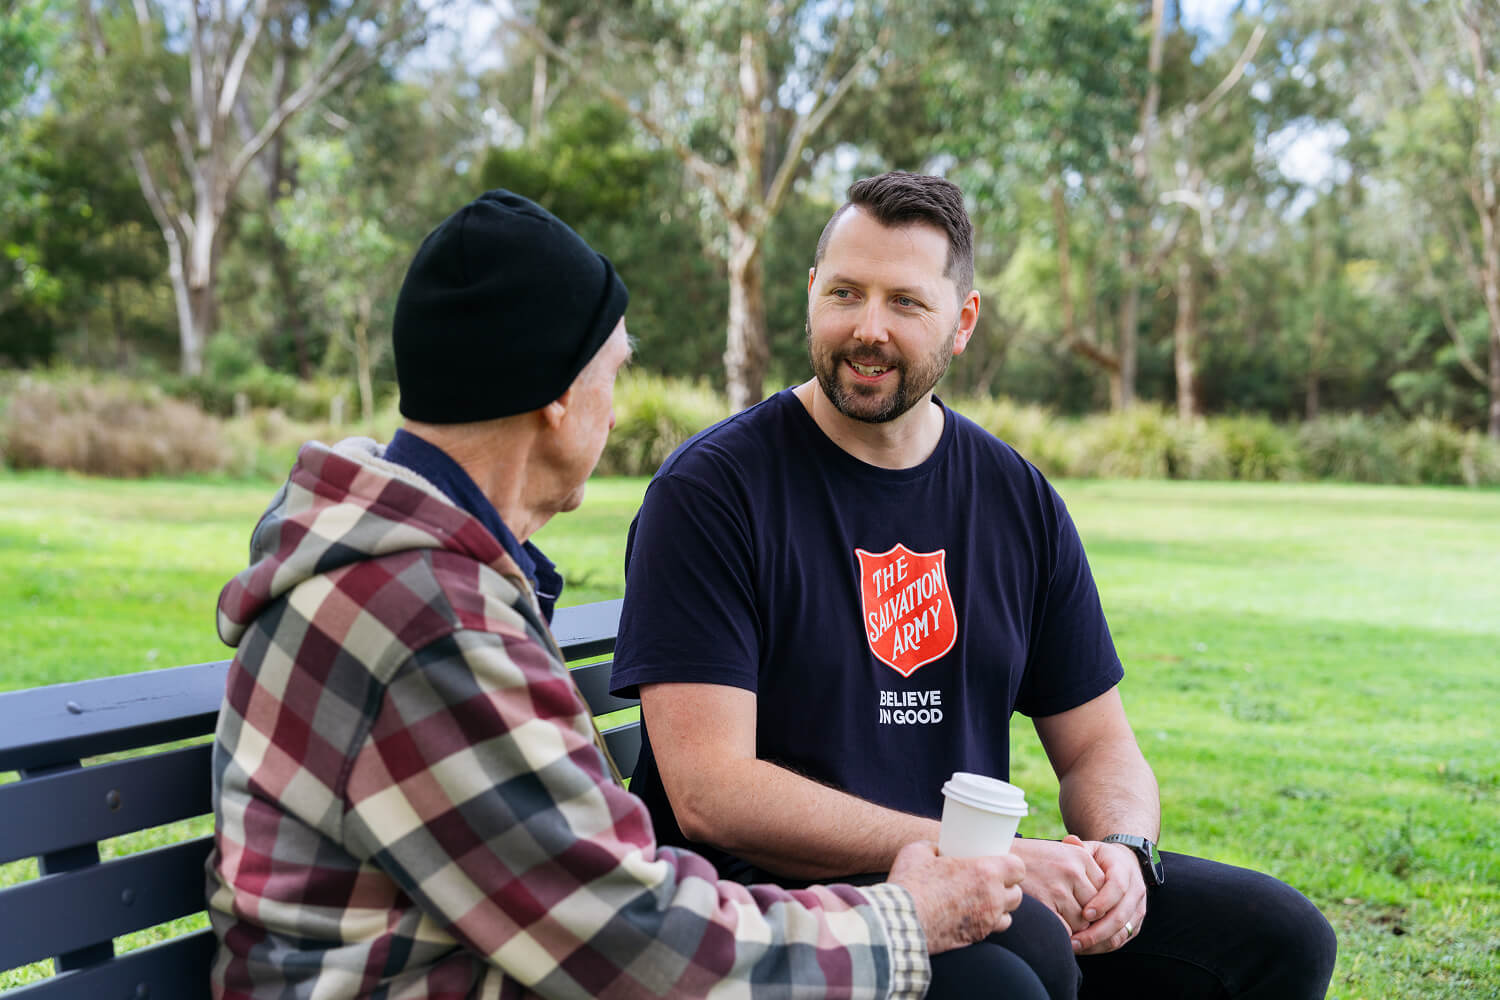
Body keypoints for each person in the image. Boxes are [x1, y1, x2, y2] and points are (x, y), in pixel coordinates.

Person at [204, 189, 1048, 999]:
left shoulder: (423, 582)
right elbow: (635, 943)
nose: (614, 413)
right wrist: (900, 921)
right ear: (559, 398)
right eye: (614, 373)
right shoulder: (425, 623)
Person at [609, 171, 1339, 999]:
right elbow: (714, 795)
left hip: (976, 878)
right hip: (784, 909)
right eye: (845, 293)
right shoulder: (714, 492)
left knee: (1279, 938)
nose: (868, 329)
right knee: (1013, 974)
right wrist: (983, 857)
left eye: (906, 303)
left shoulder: (1014, 497)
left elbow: (1101, 744)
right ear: (811, 293)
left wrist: (1123, 855)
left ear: (963, 322)